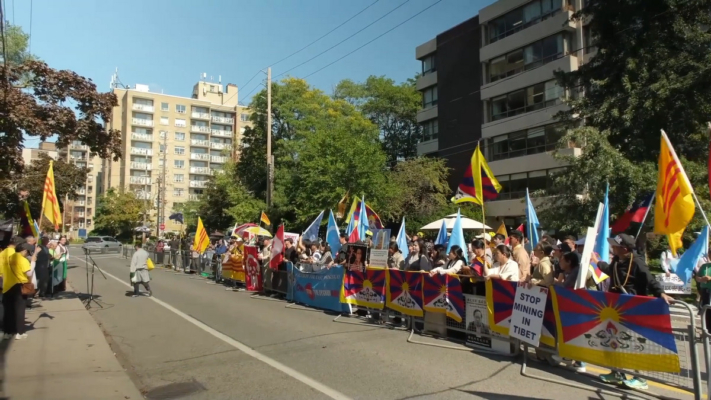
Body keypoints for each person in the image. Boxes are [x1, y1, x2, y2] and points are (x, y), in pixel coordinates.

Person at [593, 233, 673, 390]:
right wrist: (597, 262)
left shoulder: (637, 262)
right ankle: (617, 372)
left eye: (614, 245)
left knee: (633, 342)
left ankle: (640, 378)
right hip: (616, 307)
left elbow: (650, 279)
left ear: (623, 248)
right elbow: (610, 271)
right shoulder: (617, 261)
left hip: (633, 307)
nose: (611, 247)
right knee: (614, 339)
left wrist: (660, 293)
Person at [4, 242, 34, 340]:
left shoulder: (9, 257)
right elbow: (29, 273)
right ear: (24, 250)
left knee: (8, 310)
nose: (28, 254)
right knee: (20, 310)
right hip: (19, 286)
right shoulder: (23, 260)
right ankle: (19, 332)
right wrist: (33, 262)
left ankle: (8, 332)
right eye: (28, 252)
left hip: (7, 286)